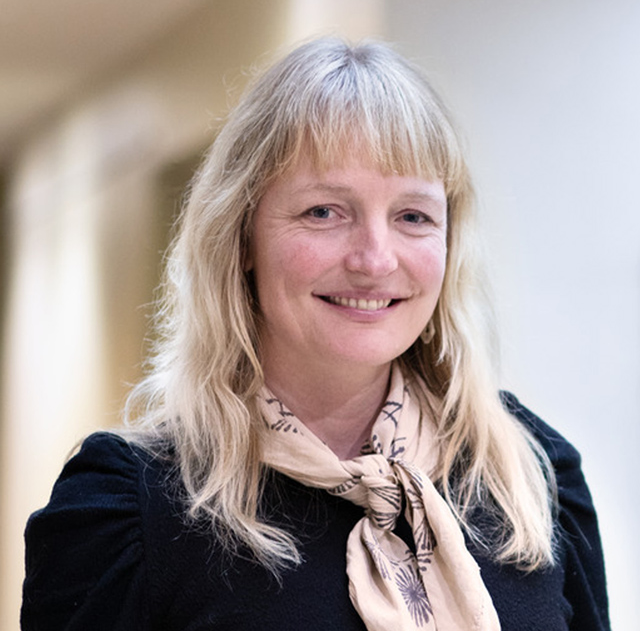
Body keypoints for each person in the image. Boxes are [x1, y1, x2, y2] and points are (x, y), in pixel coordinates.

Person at [21, 38, 609, 631]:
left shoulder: (533, 477)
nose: (375, 260)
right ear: (242, 237)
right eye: (324, 211)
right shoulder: (131, 511)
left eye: (413, 216)